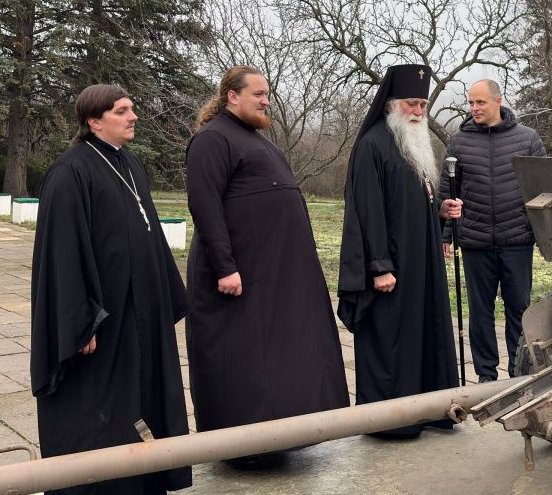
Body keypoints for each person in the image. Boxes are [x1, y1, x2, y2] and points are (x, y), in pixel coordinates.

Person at [30, 84, 190, 494]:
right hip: (103, 320)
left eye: (131, 108)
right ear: (94, 121)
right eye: (122, 111)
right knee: (99, 407)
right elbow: (62, 252)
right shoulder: (71, 172)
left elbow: (148, 235)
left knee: (141, 399)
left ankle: (144, 480)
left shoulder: (131, 165)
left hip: (140, 313)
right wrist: (78, 321)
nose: (133, 116)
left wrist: (164, 300)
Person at [184, 66, 348, 464]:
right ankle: (244, 449)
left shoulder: (257, 141)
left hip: (274, 279)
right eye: (258, 93)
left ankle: (282, 438)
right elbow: (205, 206)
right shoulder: (212, 139)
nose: (265, 100)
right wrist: (225, 267)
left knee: (276, 361)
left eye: (267, 93)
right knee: (245, 363)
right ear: (231, 96)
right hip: (239, 278)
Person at [337, 64, 462, 438]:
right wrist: (379, 267)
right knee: (392, 341)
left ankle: (429, 409)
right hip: (390, 268)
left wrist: (438, 211)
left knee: (424, 332)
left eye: (423, 104)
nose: (418, 112)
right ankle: (391, 422)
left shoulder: (413, 144)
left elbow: (410, 203)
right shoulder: (372, 145)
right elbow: (367, 211)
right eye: (412, 103)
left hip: (420, 265)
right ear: (391, 104)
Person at [437, 80, 545, 382]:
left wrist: (543, 234)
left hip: (517, 240)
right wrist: (446, 233)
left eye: (480, 103)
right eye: (471, 103)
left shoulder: (528, 139)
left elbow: (542, 187)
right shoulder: (459, 142)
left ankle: (518, 372)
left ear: (498, 101)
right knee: (480, 312)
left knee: (519, 310)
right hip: (475, 240)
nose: (474, 109)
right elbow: (448, 190)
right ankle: (485, 376)